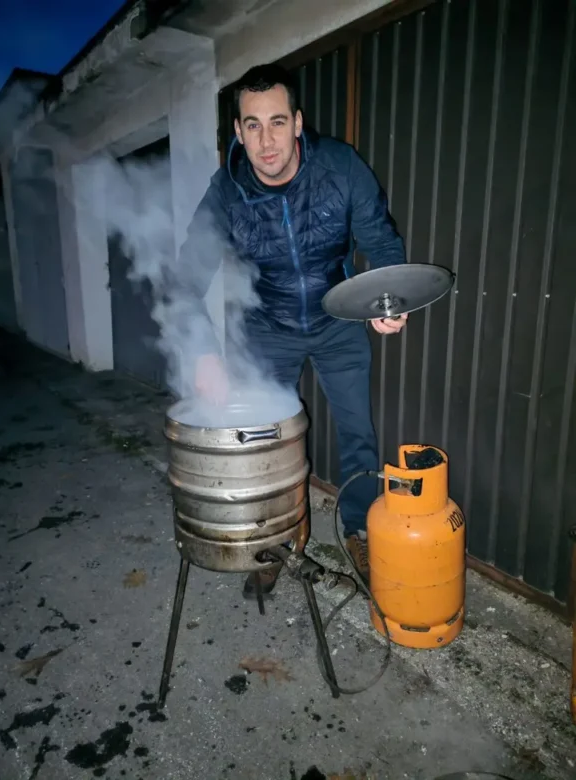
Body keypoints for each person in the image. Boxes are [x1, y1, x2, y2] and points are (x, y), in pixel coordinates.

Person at [178, 63, 407, 597]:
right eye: (253, 125)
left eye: (277, 122)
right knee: (266, 442)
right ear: (239, 132)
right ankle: (277, 541)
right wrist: (203, 353)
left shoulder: (340, 167)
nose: (267, 141)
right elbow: (186, 278)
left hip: (338, 320)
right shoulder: (226, 192)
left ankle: (358, 531)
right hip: (267, 330)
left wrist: (387, 298)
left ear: (298, 122)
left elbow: (381, 240)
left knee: (358, 432)